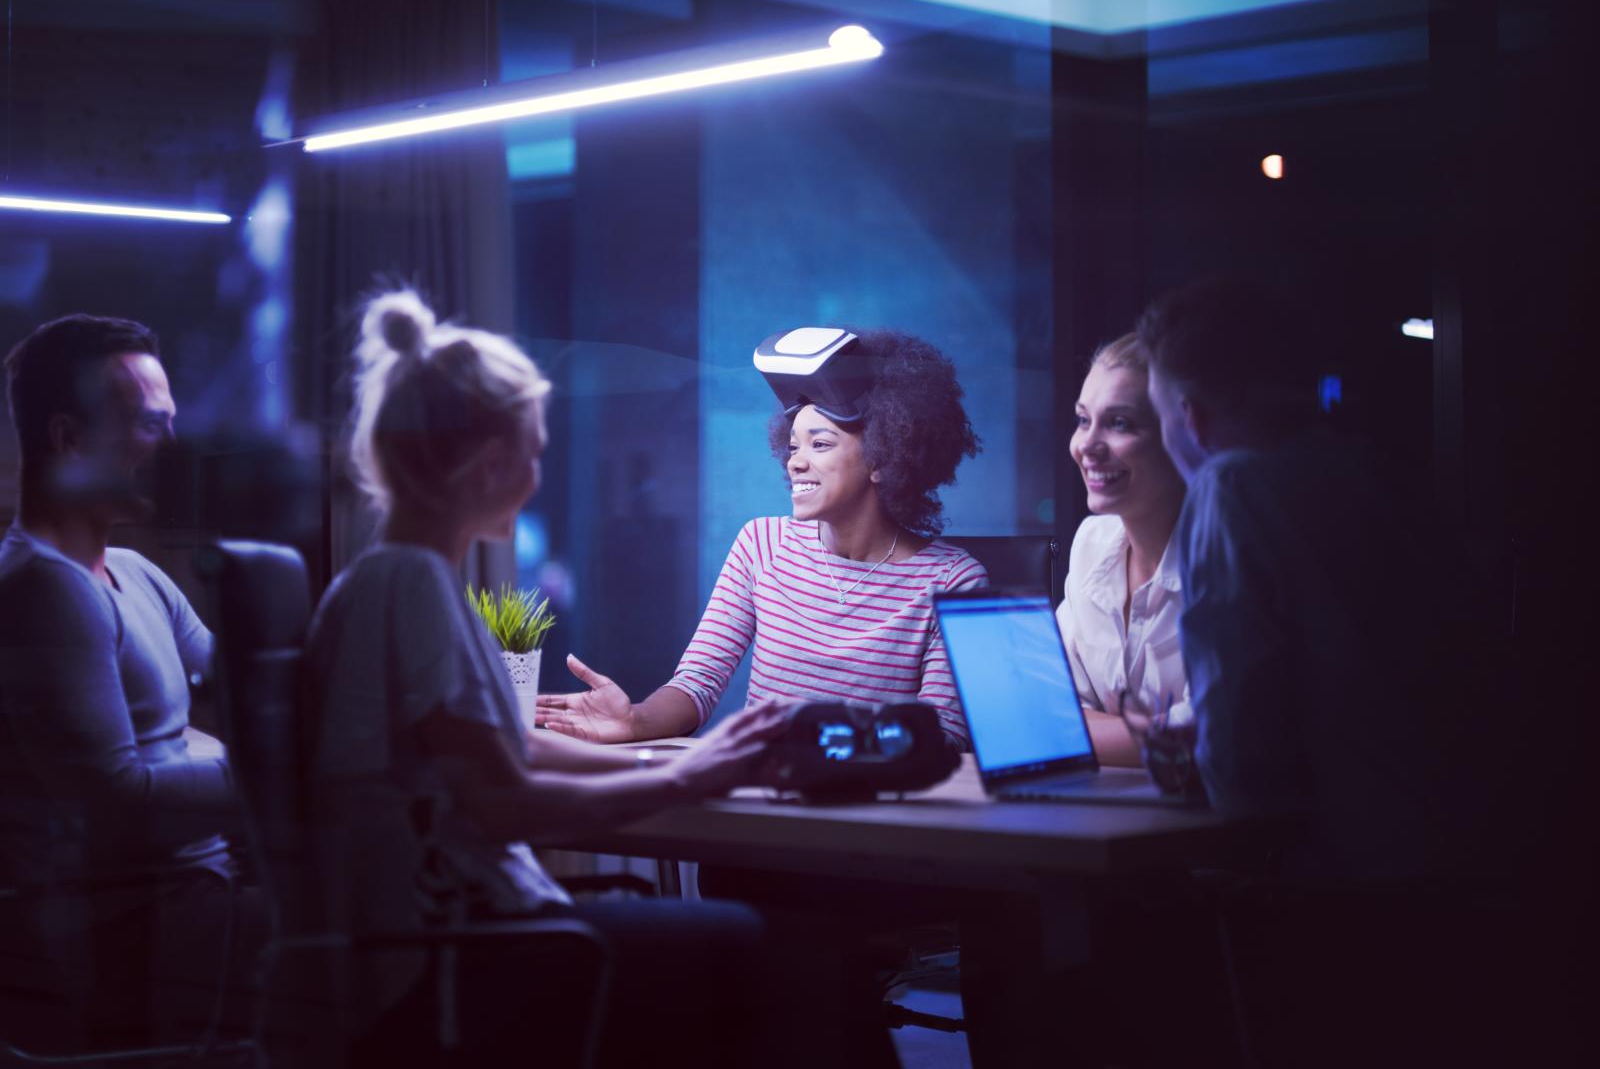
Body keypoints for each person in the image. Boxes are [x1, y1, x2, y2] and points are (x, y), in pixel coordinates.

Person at [306, 289, 871, 1068]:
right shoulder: (412, 589)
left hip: (453, 931)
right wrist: (681, 781)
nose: (538, 478)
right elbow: (505, 800)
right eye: (535, 454)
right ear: (491, 463)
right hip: (450, 954)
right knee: (772, 951)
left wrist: (677, 756)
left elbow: (504, 753)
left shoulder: (397, 579)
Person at [1136, 275, 1511, 1064]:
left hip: (1337, 893)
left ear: (1192, 418)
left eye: (1161, 417)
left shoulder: (1233, 487)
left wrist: (1192, 766)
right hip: (1467, 875)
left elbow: (1244, 767)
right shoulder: (1386, 477)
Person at [537, 327, 988, 747]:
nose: (795, 462)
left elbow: (941, 737)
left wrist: (827, 756)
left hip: (880, 816)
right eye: (794, 446)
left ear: (884, 460)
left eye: (821, 444)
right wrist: (635, 720)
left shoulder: (953, 580)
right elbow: (696, 684)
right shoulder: (762, 545)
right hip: (766, 795)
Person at [0, 314, 250, 1047]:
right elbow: (117, 798)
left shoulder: (134, 573)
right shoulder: (41, 590)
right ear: (70, 440)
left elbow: (250, 690)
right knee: (388, 943)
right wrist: (276, 773)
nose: (170, 449)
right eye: (148, 425)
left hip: (197, 895)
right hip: (135, 932)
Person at [1056, 333, 1187, 768]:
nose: (1087, 447)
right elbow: (1047, 706)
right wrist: (1148, 738)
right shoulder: (1092, 542)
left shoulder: (1225, 562)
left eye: (1120, 423)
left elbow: (1206, 739)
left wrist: (1079, 729)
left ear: (1183, 435)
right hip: (1101, 818)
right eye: (1082, 420)